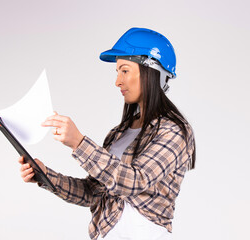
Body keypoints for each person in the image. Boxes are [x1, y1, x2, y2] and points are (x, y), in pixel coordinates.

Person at [19, 27, 196, 240]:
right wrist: (45, 176)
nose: (117, 81)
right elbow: (93, 192)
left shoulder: (173, 131)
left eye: (125, 70)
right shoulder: (119, 133)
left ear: (151, 72)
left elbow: (134, 181)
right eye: (117, 72)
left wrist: (79, 143)